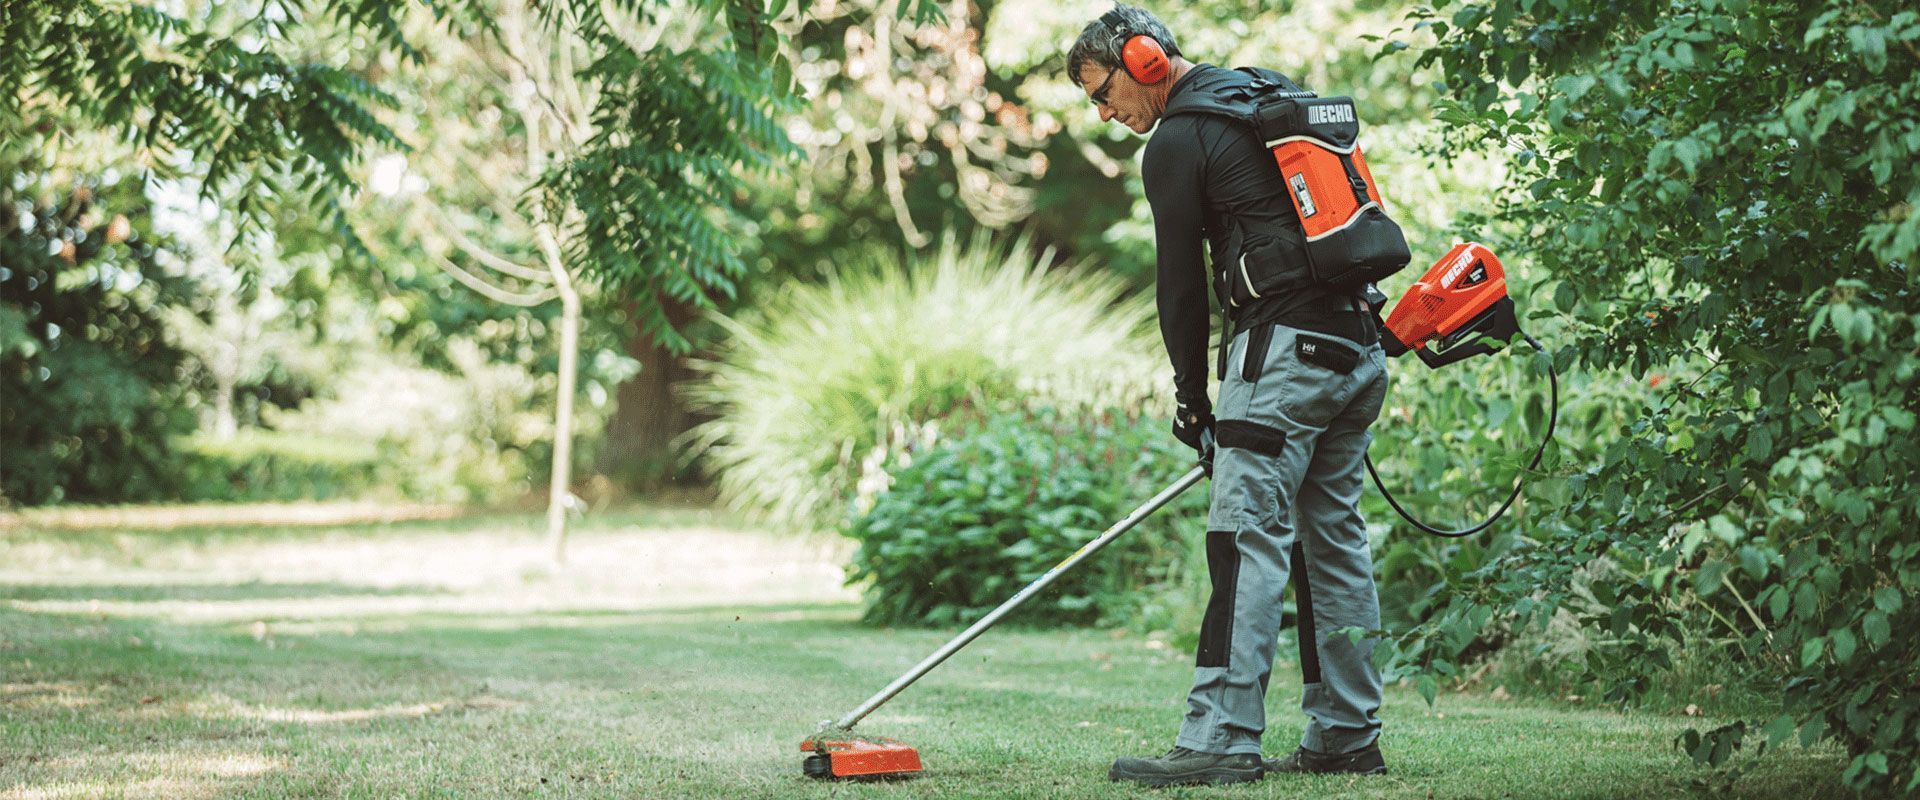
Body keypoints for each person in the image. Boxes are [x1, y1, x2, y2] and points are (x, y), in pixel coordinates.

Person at [1066, 4, 1393, 787]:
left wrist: (1191, 402)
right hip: (1356, 349)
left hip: (1280, 358)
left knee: (1244, 539)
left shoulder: (1179, 138)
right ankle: (1346, 734)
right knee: (1333, 543)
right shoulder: (1258, 96)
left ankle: (1220, 734)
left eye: (1102, 92)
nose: (1105, 114)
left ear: (1145, 61)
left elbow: (1181, 286)